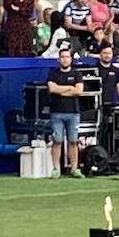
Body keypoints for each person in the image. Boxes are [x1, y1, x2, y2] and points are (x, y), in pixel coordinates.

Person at [45, 47, 85, 177]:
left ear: (71, 59)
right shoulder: (53, 73)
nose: (65, 59)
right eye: (62, 57)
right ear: (58, 59)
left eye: (67, 57)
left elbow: (78, 91)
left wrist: (61, 91)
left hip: (73, 112)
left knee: (73, 141)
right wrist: (69, 88)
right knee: (57, 141)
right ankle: (56, 169)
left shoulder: (77, 74)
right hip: (57, 112)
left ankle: (74, 169)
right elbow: (52, 89)